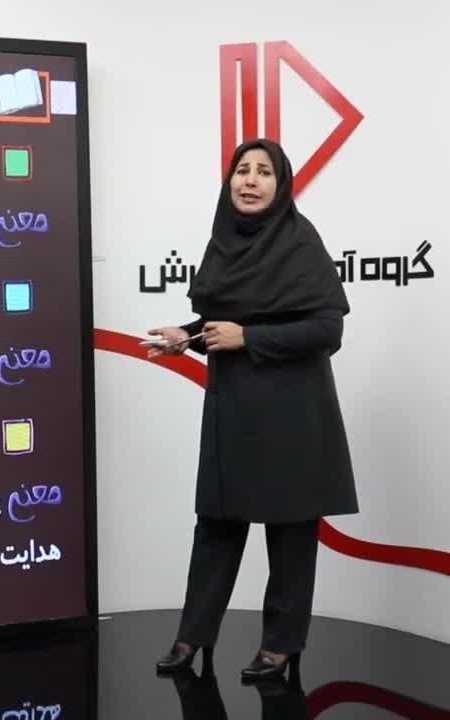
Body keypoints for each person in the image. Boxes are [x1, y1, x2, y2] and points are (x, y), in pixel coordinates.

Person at [147, 138, 359, 681]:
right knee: (217, 523)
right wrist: (188, 335)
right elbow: (224, 319)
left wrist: (250, 338)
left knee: (290, 531)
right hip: (234, 407)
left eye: (264, 172)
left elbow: (326, 330)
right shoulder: (222, 243)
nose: (250, 180)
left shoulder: (299, 241)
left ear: (280, 185)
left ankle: (281, 643)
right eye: (243, 170)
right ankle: (193, 635)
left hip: (292, 412)